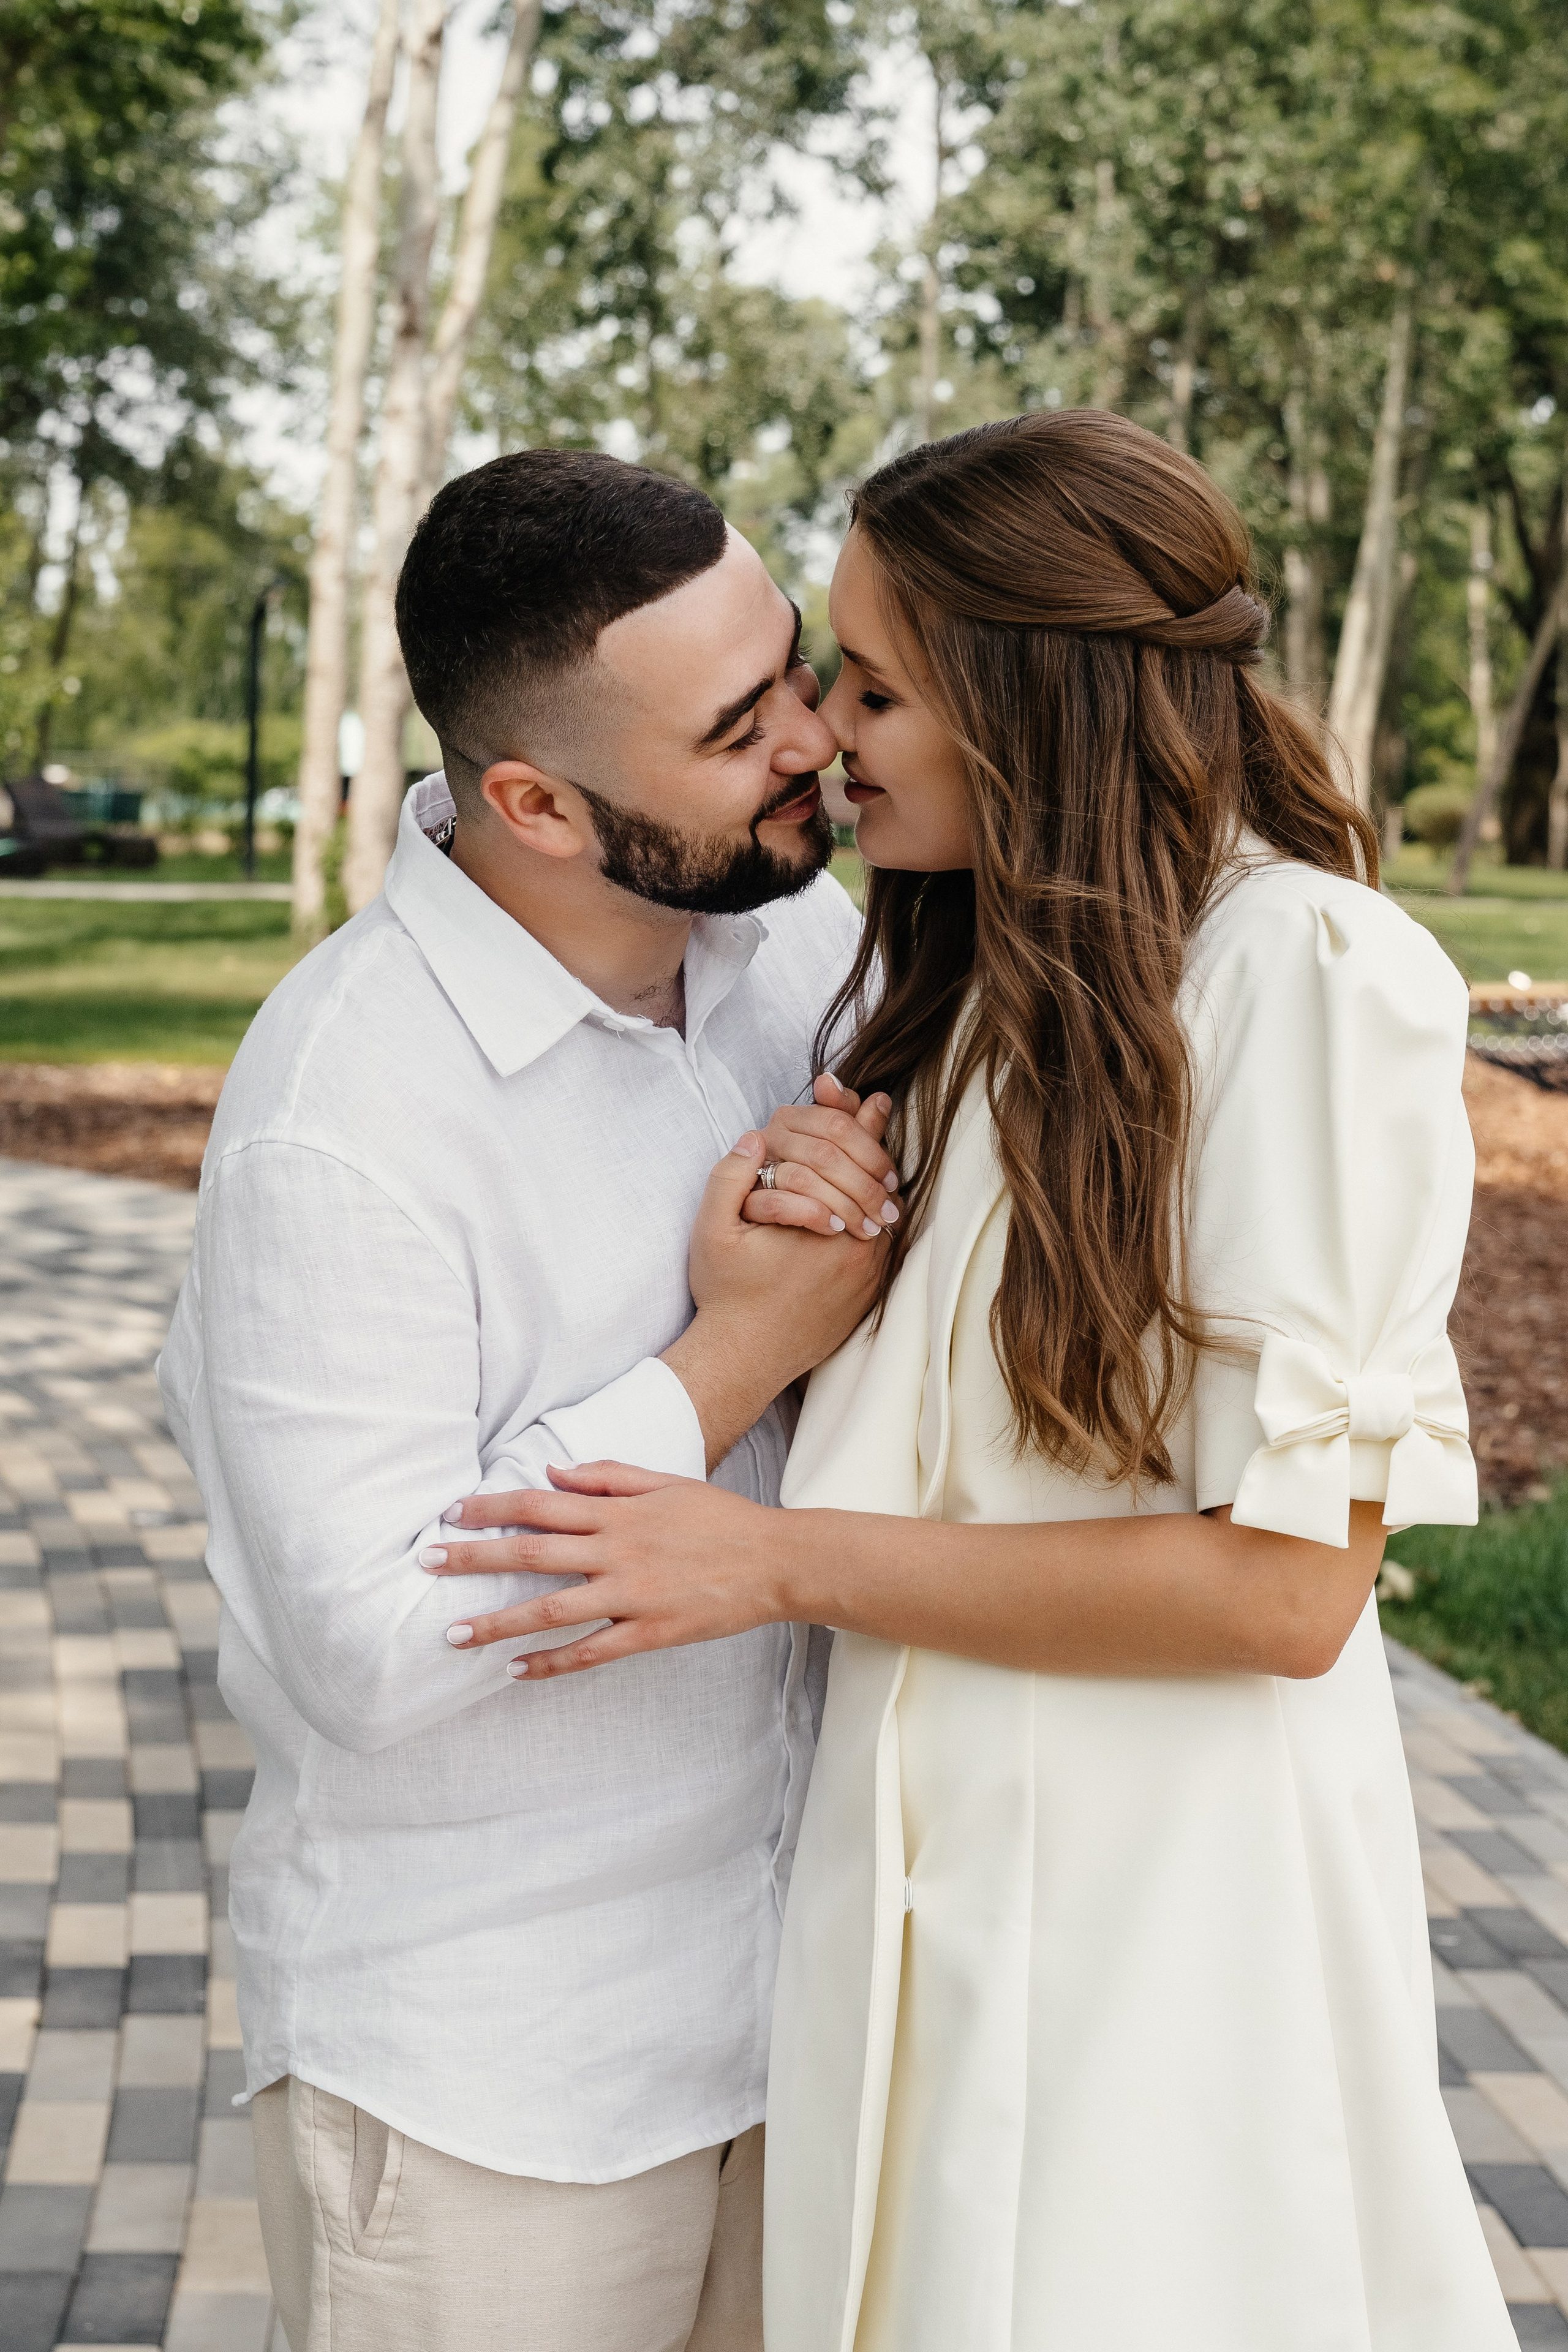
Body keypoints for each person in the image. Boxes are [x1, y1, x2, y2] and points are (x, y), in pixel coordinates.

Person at [426, 412, 1514, 2349]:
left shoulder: (1309, 978)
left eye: (876, 685)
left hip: (1163, 1945)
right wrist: (779, 1255)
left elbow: (1290, 1592)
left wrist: (772, 1563)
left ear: (1037, 696)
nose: (829, 736)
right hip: (904, 1930)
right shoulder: (967, 994)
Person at [157, 448, 904, 2352]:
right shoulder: (344, 1121)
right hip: (494, 2097)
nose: (814, 737)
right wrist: (736, 1350)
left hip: (801, 2034)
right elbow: (378, 1645)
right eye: (741, 727)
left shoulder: (802, 955)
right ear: (534, 805)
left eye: (796, 671)